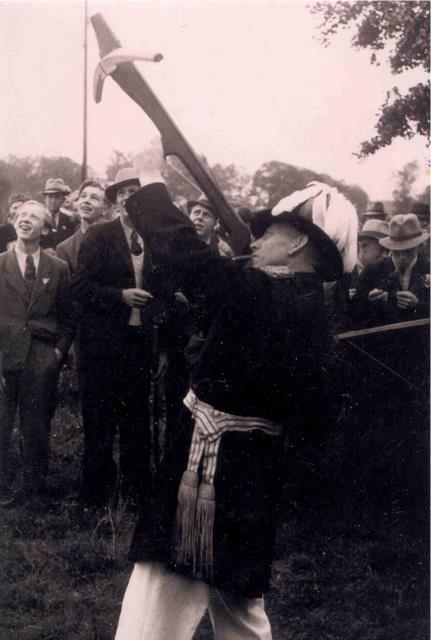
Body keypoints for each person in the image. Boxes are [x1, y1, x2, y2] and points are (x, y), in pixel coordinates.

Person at [114, 141, 357, 640]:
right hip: (250, 471)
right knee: (239, 606)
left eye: (271, 231)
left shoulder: (274, 293)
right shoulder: (300, 298)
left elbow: (193, 262)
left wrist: (150, 182)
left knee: (159, 592)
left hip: (210, 471)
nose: (259, 238)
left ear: (296, 246)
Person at [71, 168, 171, 508]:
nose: (130, 198)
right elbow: (80, 288)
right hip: (102, 345)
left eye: (136, 191)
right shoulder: (100, 235)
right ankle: (95, 495)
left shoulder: (155, 240)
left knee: (136, 421)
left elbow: (164, 296)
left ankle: (135, 492)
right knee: (99, 420)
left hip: (139, 344)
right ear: (114, 201)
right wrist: (120, 296)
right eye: (123, 192)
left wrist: (161, 349)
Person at [0, 200, 74, 505]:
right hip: (4, 354)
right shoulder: (0, 262)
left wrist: (58, 352)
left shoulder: (57, 267)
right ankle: (3, 484)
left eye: (34, 217)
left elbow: (69, 315)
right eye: (22, 215)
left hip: (41, 354)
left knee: (37, 421)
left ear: (45, 229)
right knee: (2, 420)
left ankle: (33, 486)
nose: (25, 220)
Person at [351, 213, 430, 327]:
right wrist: (369, 300)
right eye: (397, 250)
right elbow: (355, 312)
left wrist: (418, 305)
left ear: (419, 246)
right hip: (384, 341)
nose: (402, 256)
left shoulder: (427, 267)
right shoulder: (373, 270)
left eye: (408, 250)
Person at [56, 180, 107, 273]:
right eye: (83, 196)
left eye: (94, 198)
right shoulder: (65, 249)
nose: (86, 200)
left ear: (105, 209)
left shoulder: (116, 241)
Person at [348, 219, 389, 299]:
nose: (385, 256)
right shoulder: (346, 272)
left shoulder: (386, 273)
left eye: (387, 251)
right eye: (381, 249)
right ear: (364, 246)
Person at [41, 178, 77, 250]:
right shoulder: (39, 218)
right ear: (44, 199)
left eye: (57, 197)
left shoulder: (71, 220)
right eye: (50, 197)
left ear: (63, 200)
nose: (53, 201)